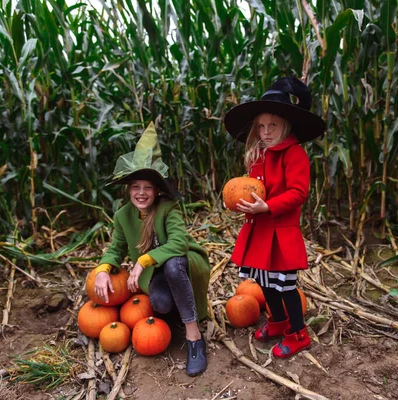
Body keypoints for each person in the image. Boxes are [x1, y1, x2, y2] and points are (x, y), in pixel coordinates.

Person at [94, 122, 210, 376]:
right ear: (128, 190)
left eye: (147, 187)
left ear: (157, 190)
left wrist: (143, 260)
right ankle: (174, 314)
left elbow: (179, 244)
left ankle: (194, 337)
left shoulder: (168, 208)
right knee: (159, 302)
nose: (141, 193)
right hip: (156, 273)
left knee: (172, 264)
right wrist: (103, 270)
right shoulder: (123, 215)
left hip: (184, 264)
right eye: (136, 187)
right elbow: (116, 249)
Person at [223, 76, 326, 358]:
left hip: (280, 233)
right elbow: (250, 188)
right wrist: (240, 201)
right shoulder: (259, 155)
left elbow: (298, 192)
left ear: (285, 125)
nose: (266, 132)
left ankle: (298, 332)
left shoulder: (294, 154)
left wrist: (266, 207)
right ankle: (278, 320)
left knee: (286, 287)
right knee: (265, 283)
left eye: (273, 126)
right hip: (259, 232)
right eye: (261, 126)